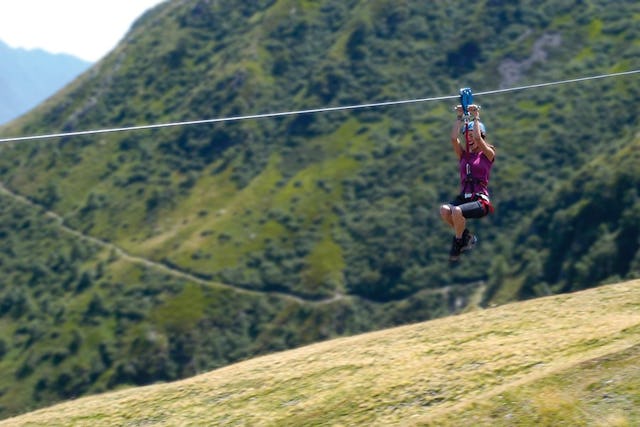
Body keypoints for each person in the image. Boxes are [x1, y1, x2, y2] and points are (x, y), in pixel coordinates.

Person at [440, 104, 496, 262]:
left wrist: (476, 116)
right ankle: (465, 236)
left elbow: (478, 138)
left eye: (472, 135)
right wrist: (459, 117)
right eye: (467, 136)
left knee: (457, 211)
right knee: (445, 210)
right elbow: (453, 138)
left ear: (481, 136)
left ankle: (458, 242)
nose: (470, 139)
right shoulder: (463, 155)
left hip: (480, 200)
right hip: (465, 197)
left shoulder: (488, 154)